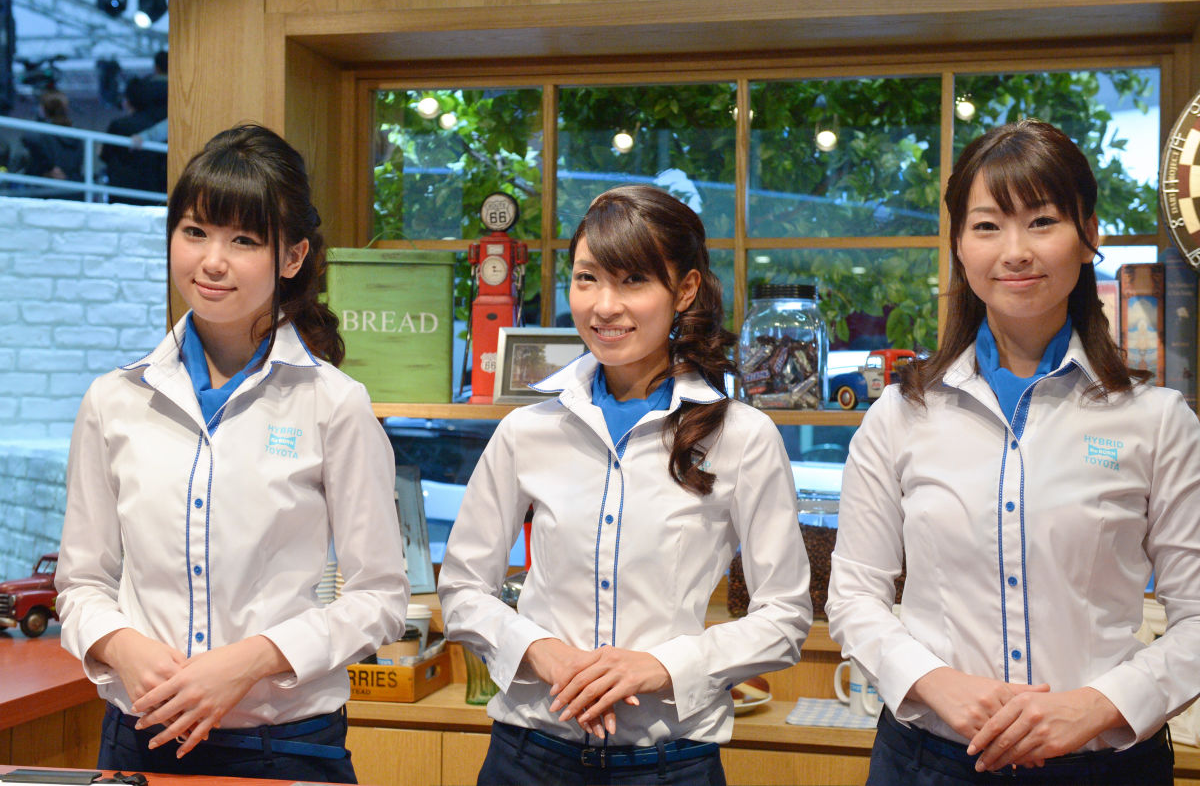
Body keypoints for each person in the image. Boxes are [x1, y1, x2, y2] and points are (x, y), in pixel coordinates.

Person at [826, 118, 1200, 785]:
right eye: (988, 225)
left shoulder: (1157, 420)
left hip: (1105, 767)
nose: (1016, 251)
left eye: (1043, 221)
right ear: (959, 246)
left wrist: (1099, 704)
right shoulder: (900, 415)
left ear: (1089, 234)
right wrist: (935, 681)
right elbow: (854, 596)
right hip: (930, 761)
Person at [56, 124, 410, 783]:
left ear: (292, 256)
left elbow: (380, 597)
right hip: (139, 738)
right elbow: (81, 584)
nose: (212, 261)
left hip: (286, 746)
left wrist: (251, 660)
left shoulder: (333, 403)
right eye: (194, 232)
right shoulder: (114, 399)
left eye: (243, 240)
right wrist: (121, 645)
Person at [438, 184, 812, 785]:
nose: (604, 306)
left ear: (685, 289)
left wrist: (659, 666)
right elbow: (461, 588)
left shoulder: (742, 435)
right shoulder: (527, 430)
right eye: (587, 279)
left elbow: (785, 616)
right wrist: (539, 651)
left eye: (633, 280)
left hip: (670, 767)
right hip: (528, 759)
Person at [101, 76, 167, 204]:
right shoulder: (155, 127)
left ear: (127, 101)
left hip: (122, 190)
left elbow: (105, 155)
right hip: (152, 191)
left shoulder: (118, 125)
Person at [21, 89, 83, 197]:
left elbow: (35, 166)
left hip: (44, 192)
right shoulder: (77, 136)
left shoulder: (39, 134)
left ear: (43, 109)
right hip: (73, 192)